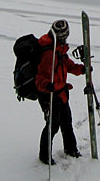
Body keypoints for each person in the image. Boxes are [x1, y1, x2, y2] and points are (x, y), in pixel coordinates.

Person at [35, 19, 86, 164]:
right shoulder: (49, 53)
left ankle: (71, 149)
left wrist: (81, 69)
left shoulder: (59, 50)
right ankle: (44, 156)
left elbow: (67, 65)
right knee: (53, 125)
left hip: (61, 93)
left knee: (66, 122)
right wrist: (48, 86)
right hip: (49, 95)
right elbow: (40, 79)